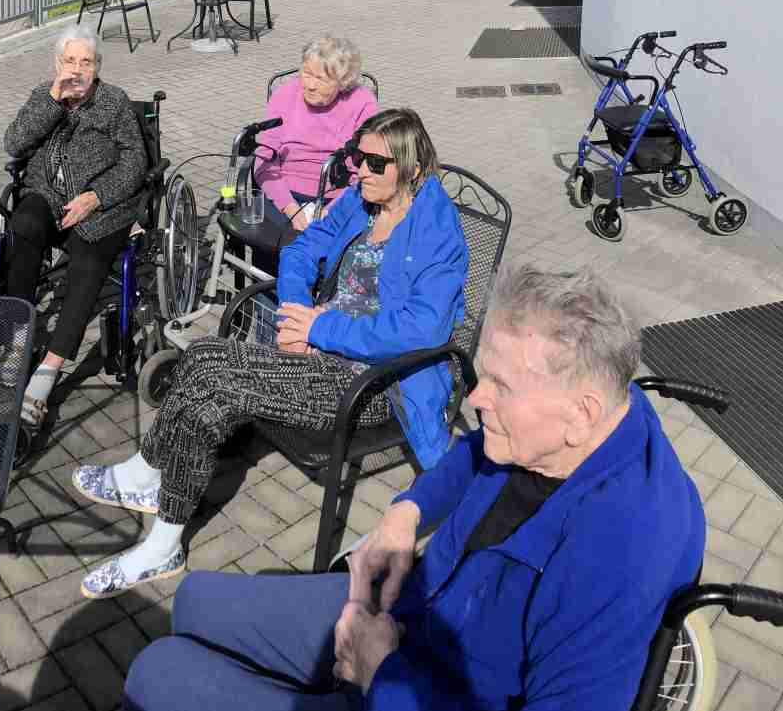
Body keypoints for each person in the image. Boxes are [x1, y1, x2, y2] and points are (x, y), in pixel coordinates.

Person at [121, 265, 705, 711]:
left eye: (500, 386)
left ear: (581, 413)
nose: (476, 398)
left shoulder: (622, 551)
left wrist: (380, 672)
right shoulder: (591, 416)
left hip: (420, 687)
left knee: (157, 671)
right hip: (410, 610)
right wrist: (407, 511)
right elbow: (477, 453)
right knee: (192, 599)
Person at [72, 109, 467, 599]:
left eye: (374, 163)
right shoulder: (362, 201)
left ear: (411, 167)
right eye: (355, 157)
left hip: (376, 384)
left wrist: (321, 328)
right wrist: (295, 312)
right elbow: (301, 250)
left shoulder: (436, 229)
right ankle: (158, 517)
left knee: (210, 375)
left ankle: (152, 499)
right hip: (323, 349)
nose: (359, 170)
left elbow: (421, 329)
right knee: (205, 376)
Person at [0, 25, 149, 428]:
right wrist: (53, 98)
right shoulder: (44, 95)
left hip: (99, 205)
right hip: (47, 195)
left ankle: (47, 373)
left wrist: (96, 196)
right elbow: (13, 143)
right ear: (58, 63)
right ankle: (18, 337)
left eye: (86, 62)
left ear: (97, 66)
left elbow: (136, 161)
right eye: (70, 61)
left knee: (89, 259)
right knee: (23, 226)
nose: (77, 70)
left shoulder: (114, 102)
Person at [255, 36, 378, 232]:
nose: (310, 85)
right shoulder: (285, 94)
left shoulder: (363, 102)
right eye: (307, 74)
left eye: (321, 79)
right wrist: (290, 208)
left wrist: (328, 212)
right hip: (284, 193)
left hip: (337, 197)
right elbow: (264, 158)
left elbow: (363, 170)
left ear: (343, 81)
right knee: (267, 235)